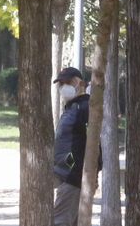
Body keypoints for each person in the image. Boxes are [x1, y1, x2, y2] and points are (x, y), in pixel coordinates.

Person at [52, 66, 91, 226]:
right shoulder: (72, 107)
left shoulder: (85, 107)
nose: (63, 87)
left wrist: (93, 173)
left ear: (80, 83)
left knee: (60, 221)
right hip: (63, 173)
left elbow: (95, 142)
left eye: (68, 82)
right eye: (61, 84)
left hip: (72, 176)